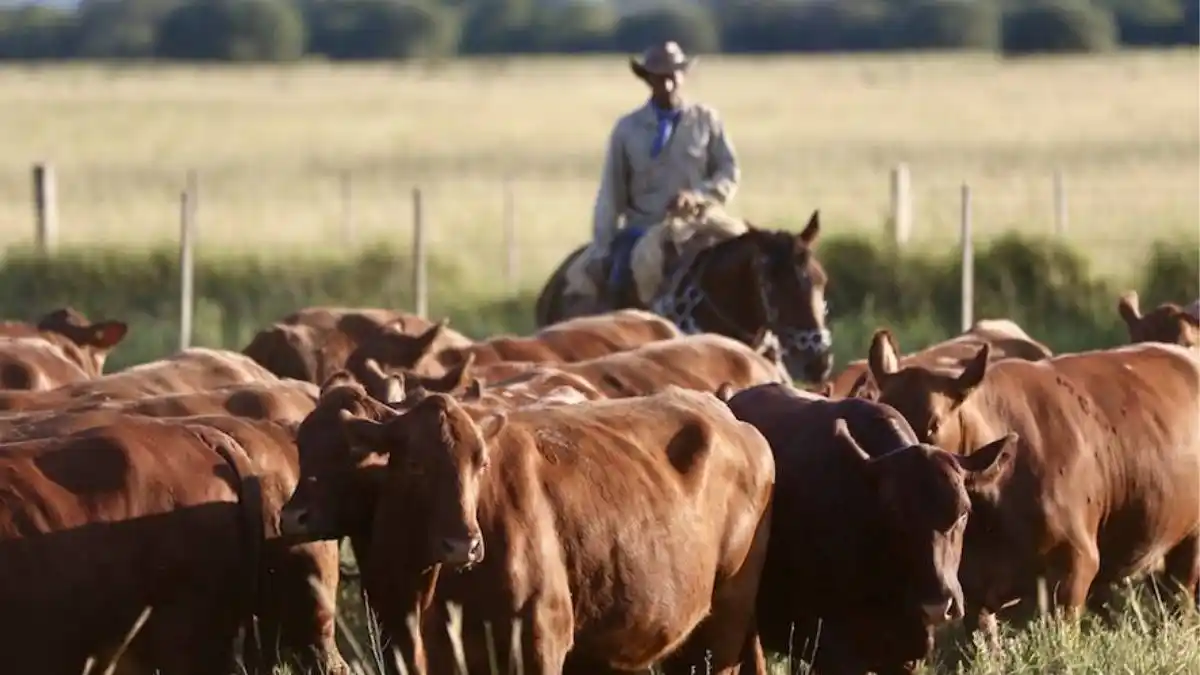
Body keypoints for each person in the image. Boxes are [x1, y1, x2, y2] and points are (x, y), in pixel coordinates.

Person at [560, 40, 746, 314]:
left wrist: (700, 196)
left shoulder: (706, 120)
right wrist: (602, 245)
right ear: (647, 79)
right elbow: (611, 193)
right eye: (659, 78)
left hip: (700, 222)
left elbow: (728, 171)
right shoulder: (627, 129)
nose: (668, 85)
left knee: (749, 261)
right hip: (645, 228)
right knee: (618, 279)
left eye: (672, 76)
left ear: (683, 75)